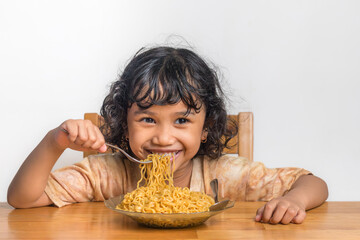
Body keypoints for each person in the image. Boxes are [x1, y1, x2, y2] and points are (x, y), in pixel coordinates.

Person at [7, 46, 328, 224]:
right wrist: (55, 142)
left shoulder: (226, 174)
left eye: (182, 121)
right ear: (125, 120)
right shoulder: (104, 174)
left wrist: (293, 200)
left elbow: (313, 182)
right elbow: (22, 199)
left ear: (206, 128)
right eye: (148, 118)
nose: (162, 138)